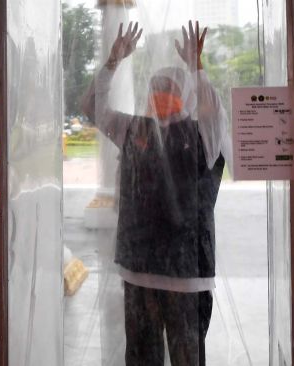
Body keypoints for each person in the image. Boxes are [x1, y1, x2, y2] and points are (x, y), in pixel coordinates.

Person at [82, 21, 229, 366]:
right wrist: (113, 62)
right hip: (139, 271)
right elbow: (92, 106)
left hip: (187, 276)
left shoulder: (203, 136)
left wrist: (197, 68)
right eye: (156, 87)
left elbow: (215, 114)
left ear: (187, 95)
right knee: (141, 357)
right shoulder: (132, 128)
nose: (160, 94)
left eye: (169, 88)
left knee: (187, 358)